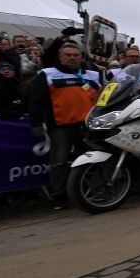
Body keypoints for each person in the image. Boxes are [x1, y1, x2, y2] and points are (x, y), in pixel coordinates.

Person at [28, 42, 102, 209]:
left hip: (89, 126)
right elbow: (35, 102)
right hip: (62, 126)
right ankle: (58, 197)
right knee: (59, 162)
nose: (72, 58)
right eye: (67, 55)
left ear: (81, 57)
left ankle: (96, 192)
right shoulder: (47, 74)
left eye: (75, 55)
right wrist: (36, 124)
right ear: (61, 57)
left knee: (95, 160)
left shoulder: (92, 75)